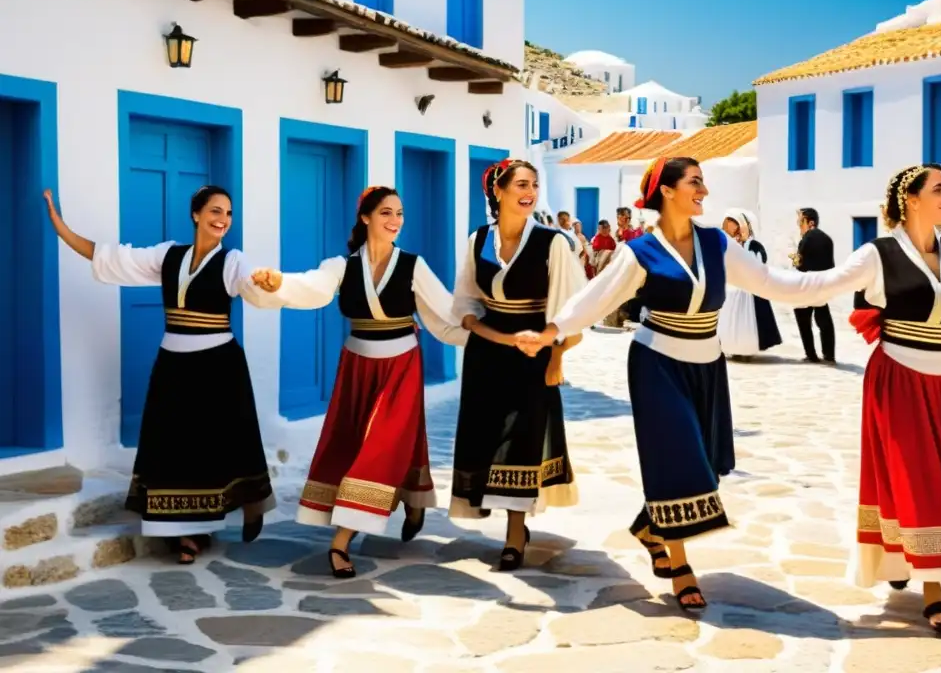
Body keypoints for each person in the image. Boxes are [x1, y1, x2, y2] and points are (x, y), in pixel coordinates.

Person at [514, 157, 852, 614]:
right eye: (694, 182)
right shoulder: (640, 252)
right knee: (678, 463)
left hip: (707, 365)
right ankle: (680, 564)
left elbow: (775, 283)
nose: (704, 191)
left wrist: (846, 278)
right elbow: (596, 299)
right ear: (667, 191)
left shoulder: (716, 244)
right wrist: (552, 331)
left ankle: (652, 527)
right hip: (657, 364)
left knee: (706, 467)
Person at [796, 164, 941, 632]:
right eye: (939, 189)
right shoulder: (877, 254)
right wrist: (738, 271)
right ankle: (934, 591)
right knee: (917, 478)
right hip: (900, 379)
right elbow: (816, 285)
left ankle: (904, 563)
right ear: (912, 200)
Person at [43, 186, 276, 564]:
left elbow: (251, 283)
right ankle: (184, 531)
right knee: (172, 448)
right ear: (196, 214)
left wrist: (265, 282)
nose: (223, 219)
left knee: (230, 441)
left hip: (219, 365)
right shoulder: (169, 255)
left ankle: (250, 504)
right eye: (216, 210)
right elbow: (112, 258)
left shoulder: (234, 261)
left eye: (229, 213)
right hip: (173, 364)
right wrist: (60, 226)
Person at [250, 186, 468, 579]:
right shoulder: (342, 266)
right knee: (354, 443)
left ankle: (341, 540)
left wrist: (490, 333)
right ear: (366, 217)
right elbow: (311, 286)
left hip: (401, 365)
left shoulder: (413, 265)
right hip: (357, 366)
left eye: (400, 214)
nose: (395, 221)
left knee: (381, 446)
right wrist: (277, 282)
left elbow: (446, 312)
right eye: (386, 213)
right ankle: (413, 497)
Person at [449, 159, 587, 571]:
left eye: (535, 184)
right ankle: (506, 522)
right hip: (487, 355)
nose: (530, 192)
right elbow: (468, 301)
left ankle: (514, 534)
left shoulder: (553, 243)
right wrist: (477, 323)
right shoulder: (477, 240)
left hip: (533, 355)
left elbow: (571, 308)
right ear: (499, 191)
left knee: (522, 439)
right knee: (486, 436)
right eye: (521, 185)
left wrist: (556, 356)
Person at [718, 209, 783, 359]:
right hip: (732, 288)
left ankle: (746, 351)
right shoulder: (730, 243)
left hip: (748, 290)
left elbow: (758, 262)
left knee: (747, 321)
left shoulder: (753, 245)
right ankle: (734, 348)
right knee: (732, 321)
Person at [793, 208, 836, 363]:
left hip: (806, 285)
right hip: (823, 284)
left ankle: (811, 355)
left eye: (801, 222)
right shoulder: (827, 239)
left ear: (810, 222)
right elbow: (831, 265)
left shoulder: (806, 239)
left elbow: (800, 264)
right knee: (824, 320)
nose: (799, 225)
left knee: (803, 320)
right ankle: (829, 354)